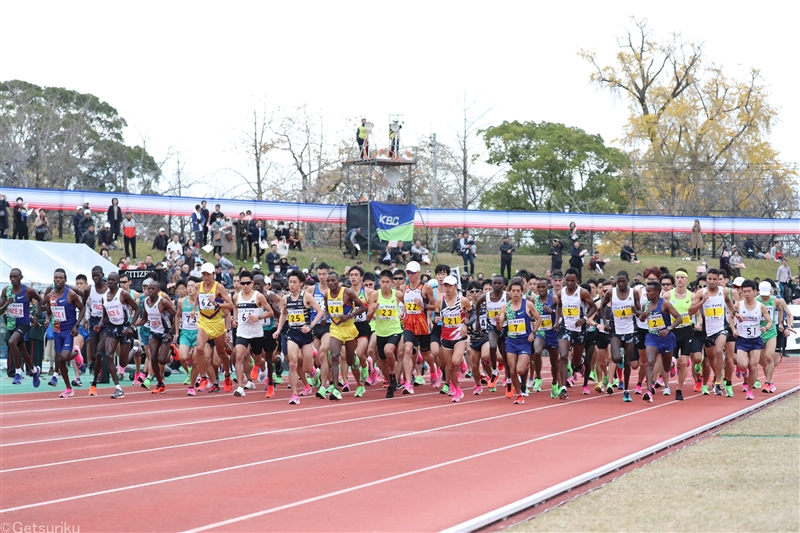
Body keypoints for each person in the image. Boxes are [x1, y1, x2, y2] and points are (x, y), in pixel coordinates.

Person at [273, 270, 324, 405]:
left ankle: (313, 371)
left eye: (295, 282)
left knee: (306, 368)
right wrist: (278, 330)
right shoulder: (285, 299)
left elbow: (320, 312)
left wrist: (311, 326)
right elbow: (283, 314)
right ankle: (294, 394)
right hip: (293, 333)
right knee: (292, 363)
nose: (292, 284)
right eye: (290, 282)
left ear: (301, 284)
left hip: (306, 334)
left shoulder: (306, 296)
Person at [688, 268, 738, 397]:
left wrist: (735, 312)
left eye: (714, 279)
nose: (711, 281)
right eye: (709, 279)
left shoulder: (724, 291)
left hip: (721, 328)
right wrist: (702, 302)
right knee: (710, 359)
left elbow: (728, 301)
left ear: (718, 280)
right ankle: (714, 378)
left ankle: (717, 382)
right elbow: (690, 311)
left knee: (719, 351)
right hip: (707, 330)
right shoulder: (700, 293)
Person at [554, 267, 597, 400]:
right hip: (565, 328)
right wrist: (557, 321)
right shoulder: (561, 293)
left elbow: (594, 307)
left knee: (576, 361)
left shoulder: (582, 293)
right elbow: (559, 306)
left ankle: (581, 361)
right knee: (563, 356)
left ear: (577, 280)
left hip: (579, 330)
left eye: (572, 280)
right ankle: (563, 388)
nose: (570, 283)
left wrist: (584, 319)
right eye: (567, 280)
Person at [41, 268, 85, 397]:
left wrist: (77, 325)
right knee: (59, 360)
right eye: (56, 278)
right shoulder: (51, 295)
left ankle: (76, 353)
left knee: (65, 356)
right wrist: (48, 319)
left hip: (68, 331)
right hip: (57, 330)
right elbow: (48, 311)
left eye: (61, 278)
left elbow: (82, 309)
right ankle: (69, 388)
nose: (58, 280)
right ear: (53, 279)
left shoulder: (70, 294)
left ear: (65, 280)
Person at [324, 271, 367, 400]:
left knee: (350, 361)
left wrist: (349, 316)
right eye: (328, 281)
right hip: (335, 328)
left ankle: (360, 383)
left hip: (348, 329)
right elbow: (327, 309)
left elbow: (362, 307)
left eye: (333, 280)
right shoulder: (327, 295)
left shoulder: (347, 292)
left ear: (338, 281)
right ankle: (336, 389)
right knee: (335, 356)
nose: (331, 283)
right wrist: (325, 318)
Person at [638, 280, 682, 403]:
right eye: (646, 291)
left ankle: (672, 364)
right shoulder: (645, 305)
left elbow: (679, 318)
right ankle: (648, 391)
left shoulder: (665, 304)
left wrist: (669, 329)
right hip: (652, 337)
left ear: (657, 292)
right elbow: (641, 320)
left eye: (649, 291)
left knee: (666, 368)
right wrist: (643, 315)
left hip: (666, 338)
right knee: (650, 362)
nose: (646, 293)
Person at [231, 270, 273, 397]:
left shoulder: (258, 296)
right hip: (242, 332)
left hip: (256, 333)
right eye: (242, 283)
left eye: (247, 283)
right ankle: (239, 387)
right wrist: (235, 319)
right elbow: (235, 309)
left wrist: (258, 317)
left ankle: (263, 367)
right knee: (239, 356)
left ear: (252, 283)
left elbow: (270, 312)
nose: (245, 286)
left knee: (257, 359)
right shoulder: (236, 296)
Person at [434, 274, 474, 403]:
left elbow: (473, 316)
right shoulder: (440, 301)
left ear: (456, 287)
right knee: (450, 367)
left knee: (455, 361)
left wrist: (466, 325)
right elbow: (435, 316)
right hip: (445, 336)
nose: (447, 288)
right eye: (445, 285)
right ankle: (457, 390)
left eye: (450, 286)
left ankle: (462, 361)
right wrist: (436, 319)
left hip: (459, 336)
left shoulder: (463, 301)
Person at [99, 272, 140, 399]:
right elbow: (105, 315)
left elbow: (137, 309)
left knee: (123, 362)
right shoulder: (104, 297)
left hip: (124, 328)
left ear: (117, 282)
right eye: (108, 280)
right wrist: (100, 324)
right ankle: (118, 388)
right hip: (112, 327)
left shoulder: (123, 294)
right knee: (109, 355)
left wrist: (131, 326)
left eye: (113, 280)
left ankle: (135, 348)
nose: (110, 282)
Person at [196, 262, 234, 393]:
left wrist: (216, 301)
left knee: (221, 353)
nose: (206, 277)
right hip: (203, 322)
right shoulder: (198, 286)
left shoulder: (219, 288)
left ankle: (228, 376)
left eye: (208, 274)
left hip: (217, 323)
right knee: (199, 348)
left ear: (213, 274)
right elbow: (196, 300)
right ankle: (203, 378)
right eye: (204, 274)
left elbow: (230, 304)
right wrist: (193, 309)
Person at [134, 277, 177, 394]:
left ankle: (171, 350)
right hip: (153, 332)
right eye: (149, 288)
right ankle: (160, 383)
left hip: (165, 333)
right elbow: (144, 319)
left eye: (153, 288)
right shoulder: (145, 302)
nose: (150, 290)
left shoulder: (162, 302)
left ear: (158, 290)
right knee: (152, 357)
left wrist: (171, 332)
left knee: (162, 360)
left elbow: (176, 315)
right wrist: (134, 324)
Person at [367, 270, 405, 398]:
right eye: (382, 282)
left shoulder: (398, 295)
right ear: (379, 282)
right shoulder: (374, 295)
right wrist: (373, 310)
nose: (385, 284)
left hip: (394, 330)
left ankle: (393, 373)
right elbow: (368, 317)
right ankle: (390, 384)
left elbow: (408, 305)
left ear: (392, 283)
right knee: (382, 361)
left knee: (388, 351)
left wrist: (404, 313)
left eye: (387, 282)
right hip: (380, 331)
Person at [732, 280, 772, 400]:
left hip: (755, 339)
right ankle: (741, 369)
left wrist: (765, 327)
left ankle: (749, 390)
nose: (747, 294)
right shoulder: (738, 305)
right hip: (743, 339)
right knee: (743, 365)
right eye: (744, 292)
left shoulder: (761, 306)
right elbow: (730, 318)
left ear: (755, 291)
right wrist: (734, 329)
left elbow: (770, 321)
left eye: (749, 291)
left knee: (753, 366)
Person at [1, 268, 42, 384]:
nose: (12, 279)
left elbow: (40, 300)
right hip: (11, 324)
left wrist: (36, 315)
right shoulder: (6, 291)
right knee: (23, 352)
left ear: (21, 278)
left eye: (15, 277)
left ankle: (18, 373)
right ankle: (35, 371)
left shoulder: (28, 291)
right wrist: (6, 305)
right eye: (11, 277)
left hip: (24, 324)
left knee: (12, 342)